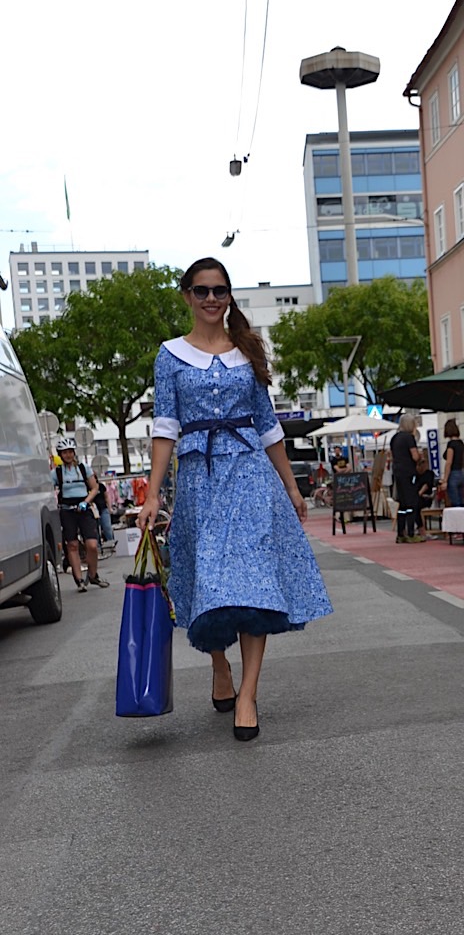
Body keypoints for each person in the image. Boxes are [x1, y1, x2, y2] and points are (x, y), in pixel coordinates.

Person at [138, 256, 332, 741]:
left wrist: (292, 487)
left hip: (250, 477)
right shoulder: (170, 355)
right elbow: (165, 427)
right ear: (187, 295)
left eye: (219, 290)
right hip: (199, 482)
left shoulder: (246, 350)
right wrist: (152, 494)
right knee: (210, 583)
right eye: (201, 290)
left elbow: (268, 425)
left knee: (255, 584)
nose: (211, 299)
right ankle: (219, 664)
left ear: (229, 296)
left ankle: (248, 694)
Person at [51, 438, 110, 592]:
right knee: (72, 545)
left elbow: (95, 488)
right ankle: (79, 580)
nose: (68, 455)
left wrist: (86, 501)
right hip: (67, 511)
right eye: (65, 453)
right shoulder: (57, 472)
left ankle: (93, 575)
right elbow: (48, 488)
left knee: (92, 545)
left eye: (70, 452)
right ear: (60, 455)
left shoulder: (84, 469)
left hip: (84, 508)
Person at [390, 414, 421, 543]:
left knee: (402, 504)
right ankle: (411, 533)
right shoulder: (409, 438)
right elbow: (415, 456)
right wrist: (420, 456)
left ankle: (400, 533)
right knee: (412, 503)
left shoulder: (394, 438)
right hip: (409, 472)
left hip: (397, 472)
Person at [441, 419, 464, 507]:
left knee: (455, 503)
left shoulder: (451, 444)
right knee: (462, 501)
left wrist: (445, 480)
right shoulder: (461, 443)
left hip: (453, 474)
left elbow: (449, 462)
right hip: (461, 472)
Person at [414, 458, 435, 539]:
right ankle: (418, 527)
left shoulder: (429, 474)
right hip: (417, 497)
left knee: (416, 505)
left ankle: (421, 530)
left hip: (426, 497)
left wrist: (419, 493)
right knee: (413, 505)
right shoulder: (415, 475)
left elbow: (426, 486)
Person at [93, 473, 114, 543]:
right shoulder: (87, 488)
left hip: (103, 509)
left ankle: (111, 542)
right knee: (95, 530)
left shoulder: (101, 486)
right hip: (93, 511)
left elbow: (106, 497)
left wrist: (109, 507)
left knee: (107, 527)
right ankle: (98, 545)